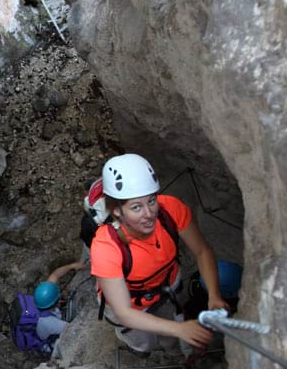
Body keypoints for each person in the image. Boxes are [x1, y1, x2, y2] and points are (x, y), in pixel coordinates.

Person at [90, 153, 228, 357]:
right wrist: (180, 329)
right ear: (117, 211)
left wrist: (214, 296)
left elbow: (202, 251)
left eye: (151, 201)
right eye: (136, 207)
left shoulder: (170, 210)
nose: (149, 213)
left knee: (171, 335)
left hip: (167, 287)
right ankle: (142, 351)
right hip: (131, 304)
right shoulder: (105, 246)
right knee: (143, 344)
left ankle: (174, 354)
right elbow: (125, 313)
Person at [33, 260, 87, 348]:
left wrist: (72, 266)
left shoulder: (42, 297)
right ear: (55, 302)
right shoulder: (49, 322)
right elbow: (73, 329)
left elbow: (55, 275)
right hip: (45, 339)